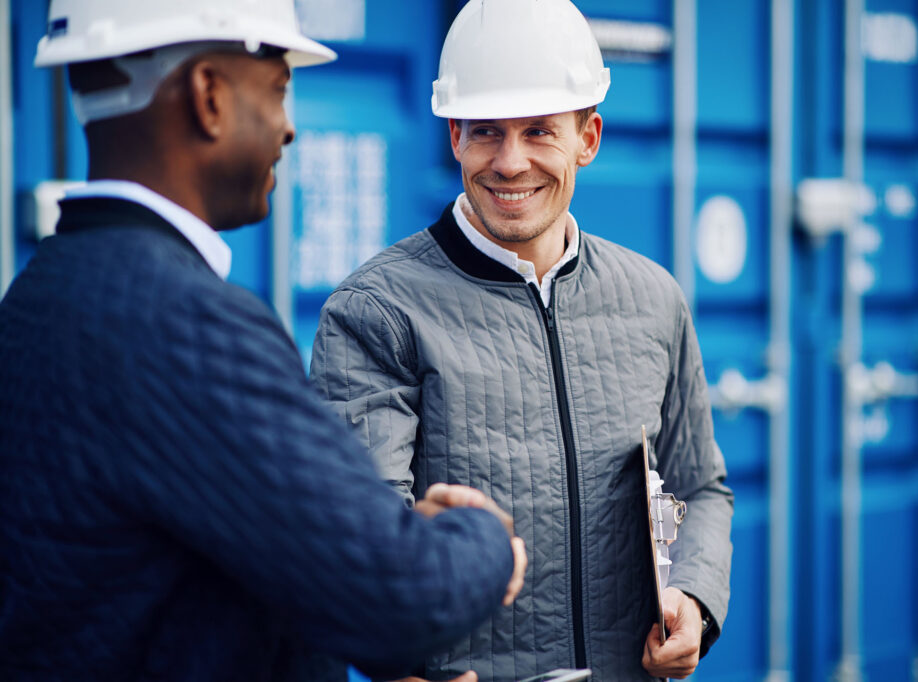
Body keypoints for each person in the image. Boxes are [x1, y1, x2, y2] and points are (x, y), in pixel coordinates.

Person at [0, 2, 527, 681]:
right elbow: (399, 597)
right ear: (209, 96)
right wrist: (486, 541)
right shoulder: (182, 325)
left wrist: (377, 532)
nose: (288, 128)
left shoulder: (39, 296)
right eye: (278, 88)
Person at [310, 0, 733, 680]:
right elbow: (354, 543)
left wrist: (695, 595)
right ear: (453, 136)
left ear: (587, 138)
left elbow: (698, 487)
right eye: (486, 132)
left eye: (539, 131)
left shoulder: (653, 299)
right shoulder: (376, 311)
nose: (510, 163)